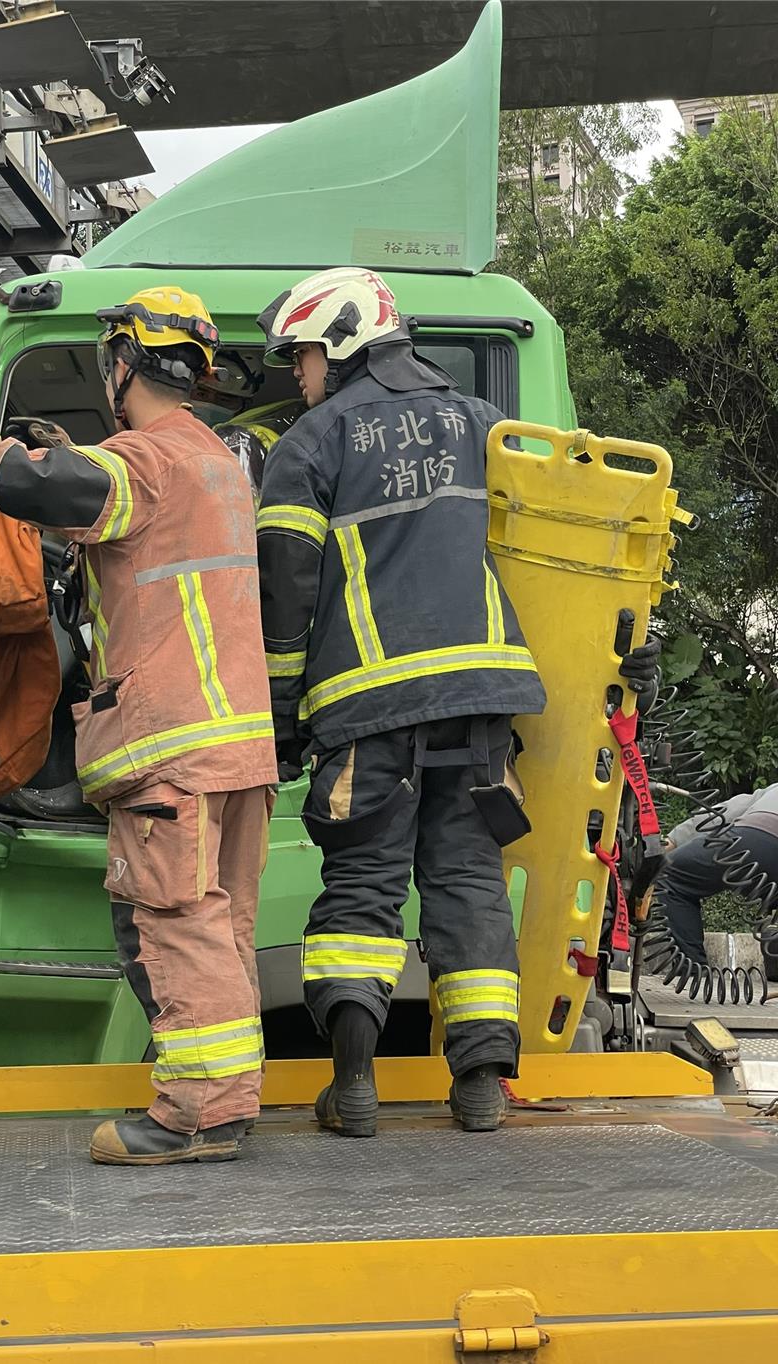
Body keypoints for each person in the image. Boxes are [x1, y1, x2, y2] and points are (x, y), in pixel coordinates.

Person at [0, 286, 278, 1166]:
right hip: (237, 748)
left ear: (122, 362)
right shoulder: (213, 461)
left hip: (172, 748)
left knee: (171, 923)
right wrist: (71, 459)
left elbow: (34, 485)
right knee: (220, 928)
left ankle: (198, 1116)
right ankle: (227, 1100)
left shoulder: (143, 461)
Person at [256, 267, 547, 1136]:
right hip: (483, 703)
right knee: (468, 883)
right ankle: (482, 1085)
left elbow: (285, 596)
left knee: (362, 884)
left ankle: (353, 1086)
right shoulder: (488, 426)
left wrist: (280, 718)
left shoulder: (311, 442)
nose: (298, 372)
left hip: (368, 707)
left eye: (302, 353)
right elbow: (553, 552)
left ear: (342, 342)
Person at [660, 785, 778, 973]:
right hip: (759, 838)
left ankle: (692, 970)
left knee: (670, 873)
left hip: (752, 839)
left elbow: (722, 813)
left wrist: (665, 845)